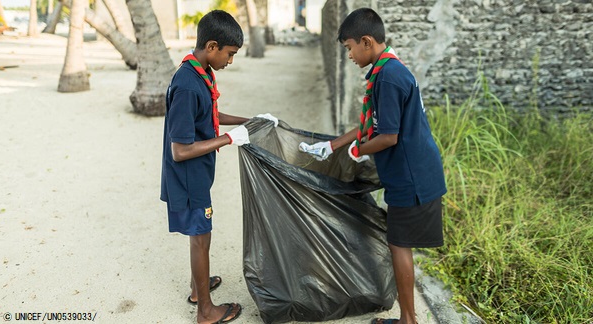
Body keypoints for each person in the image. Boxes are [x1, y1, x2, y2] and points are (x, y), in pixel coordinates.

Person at [299, 8, 446, 324]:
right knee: (398, 242)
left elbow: (388, 137)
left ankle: (409, 320)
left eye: (350, 47)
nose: (349, 55)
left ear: (366, 41)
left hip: (413, 177)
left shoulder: (388, 78)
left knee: (399, 244)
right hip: (413, 171)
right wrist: (333, 145)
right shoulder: (387, 69)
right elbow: (371, 125)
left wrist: (357, 151)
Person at [161, 10, 277, 324]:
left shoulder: (202, 72)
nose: (230, 60)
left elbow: (209, 114)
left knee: (204, 234)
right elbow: (181, 150)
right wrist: (229, 139)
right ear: (212, 46)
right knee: (200, 236)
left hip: (198, 174)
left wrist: (250, 121)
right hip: (188, 177)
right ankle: (205, 311)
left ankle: (199, 288)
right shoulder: (187, 84)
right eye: (230, 54)